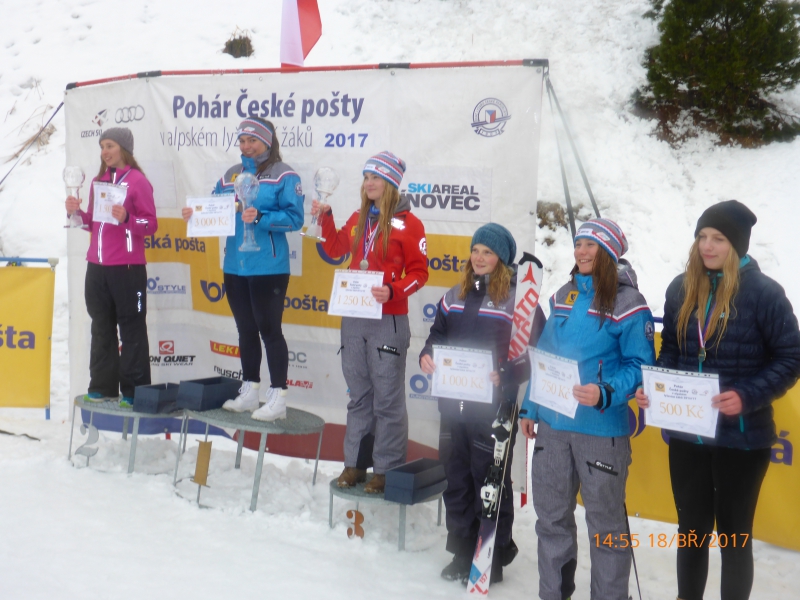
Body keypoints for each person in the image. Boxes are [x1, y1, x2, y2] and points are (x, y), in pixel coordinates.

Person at [635, 200, 800, 600]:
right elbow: (671, 349)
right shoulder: (681, 287)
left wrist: (747, 395)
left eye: (719, 239)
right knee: (691, 532)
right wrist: (656, 385)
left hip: (741, 439)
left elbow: (791, 358)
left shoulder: (764, 294)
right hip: (688, 435)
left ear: (737, 245)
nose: (707, 246)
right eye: (702, 237)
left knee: (734, 536)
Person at [520, 218, 656, 600]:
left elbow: (640, 365)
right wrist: (530, 407)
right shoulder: (563, 295)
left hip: (600, 431)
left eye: (590, 245)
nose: (581, 251)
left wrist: (605, 391)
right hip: (553, 428)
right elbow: (544, 356)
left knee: (606, 527)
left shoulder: (629, 304)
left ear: (609, 253)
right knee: (551, 521)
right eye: (578, 244)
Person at [420, 223, 544, 585]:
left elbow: (537, 353)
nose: (479, 257)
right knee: (457, 476)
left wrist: (507, 373)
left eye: (487, 252)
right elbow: (437, 334)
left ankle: (492, 554)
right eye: (475, 250)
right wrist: (428, 354)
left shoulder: (519, 301)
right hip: (454, 403)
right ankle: (462, 551)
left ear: (501, 259)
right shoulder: (454, 295)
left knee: (489, 479)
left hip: (494, 409)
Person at [311, 151, 428, 494]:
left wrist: (393, 290)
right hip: (354, 317)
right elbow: (334, 249)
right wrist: (326, 217)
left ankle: (386, 469)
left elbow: (420, 273)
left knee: (387, 400)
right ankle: (355, 464)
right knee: (359, 396)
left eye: (376, 177)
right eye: (366, 177)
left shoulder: (410, 224)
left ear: (391, 183)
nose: (369, 183)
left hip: (388, 319)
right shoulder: (358, 217)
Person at [182, 117, 304, 421]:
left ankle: (278, 397)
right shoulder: (231, 174)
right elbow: (215, 208)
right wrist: (196, 215)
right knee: (246, 330)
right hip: (235, 265)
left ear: (267, 142)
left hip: (268, 266)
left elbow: (295, 219)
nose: (246, 146)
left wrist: (261, 217)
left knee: (270, 331)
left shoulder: (284, 174)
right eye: (242, 140)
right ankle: (250, 390)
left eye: (253, 140)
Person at [65, 127, 158, 409]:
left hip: (127, 268)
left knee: (132, 330)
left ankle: (134, 391)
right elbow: (94, 223)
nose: (104, 152)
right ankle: (102, 387)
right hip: (97, 267)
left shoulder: (138, 181)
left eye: (110, 146)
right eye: (102, 146)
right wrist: (76, 213)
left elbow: (151, 225)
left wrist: (128, 217)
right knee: (101, 327)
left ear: (123, 149)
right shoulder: (98, 181)